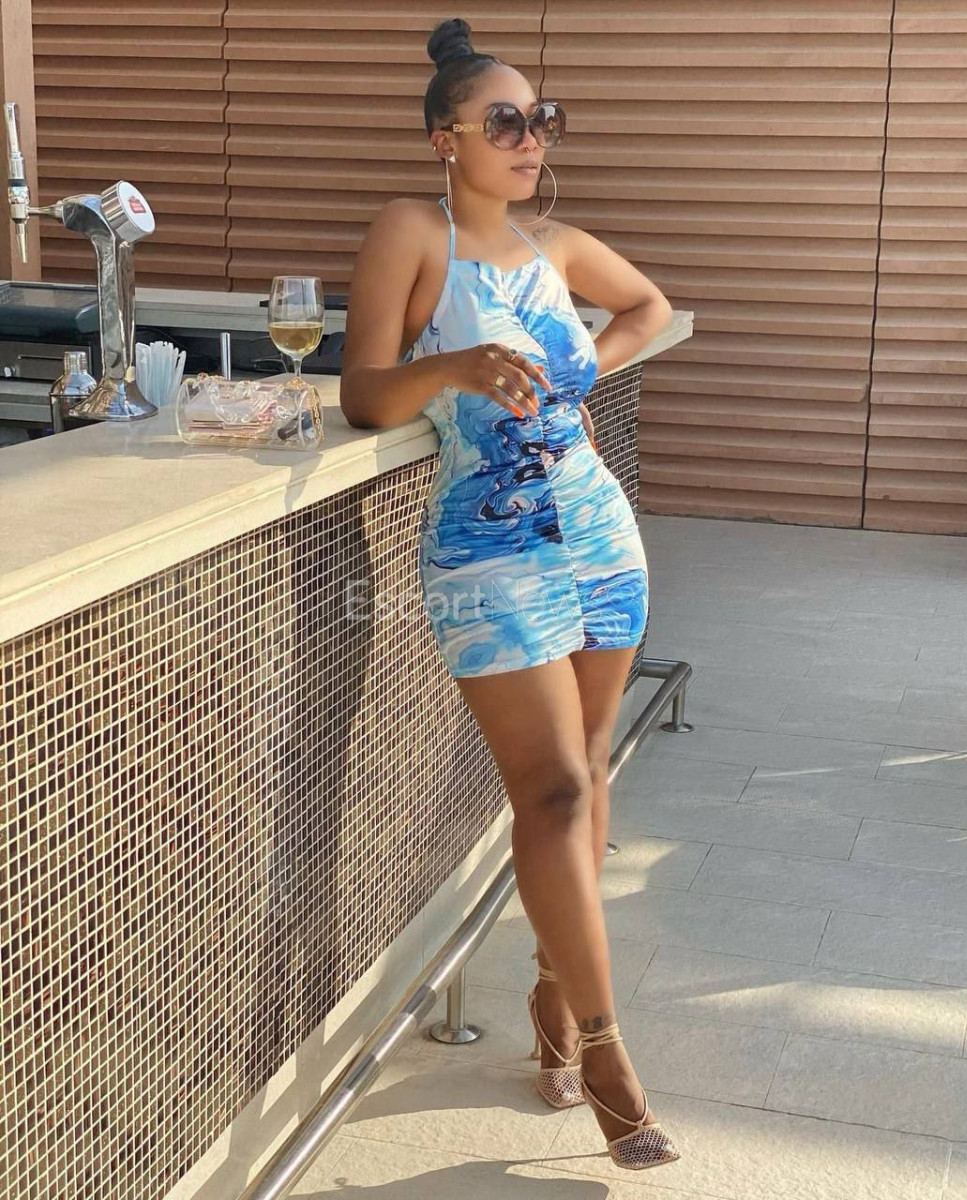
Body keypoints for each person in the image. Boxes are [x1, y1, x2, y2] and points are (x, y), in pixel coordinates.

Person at [341, 16, 677, 1172]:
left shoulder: (557, 247)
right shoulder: (410, 232)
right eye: (504, 122)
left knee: (591, 773)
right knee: (553, 792)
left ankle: (549, 992)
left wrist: (586, 373)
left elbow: (648, 308)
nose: (530, 138)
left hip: (596, 534)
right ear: (446, 139)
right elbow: (364, 393)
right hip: (488, 550)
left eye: (541, 120)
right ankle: (606, 1050)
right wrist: (452, 367)